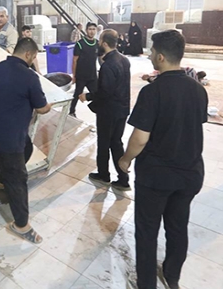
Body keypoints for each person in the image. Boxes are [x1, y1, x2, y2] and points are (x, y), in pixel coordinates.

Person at [118, 30, 208, 289]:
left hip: (156, 176)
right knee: (178, 227)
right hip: (190, 173)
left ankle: (146, 283)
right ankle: (172, 275)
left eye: (151, 52)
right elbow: (192, 125)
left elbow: (140, 139)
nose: (148, 56)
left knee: (147, 231)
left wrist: (125, 160)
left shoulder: (152, 92)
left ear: (160, 57)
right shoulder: (198, 90)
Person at [0, 38, 52, 244]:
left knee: (27, 148)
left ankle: (0, 181)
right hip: (10, 138)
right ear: (29, 55)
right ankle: (21, 225)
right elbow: (41, 108)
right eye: (34, 57)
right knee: (18, 179)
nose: (33, 61)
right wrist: (49, 106)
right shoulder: (30, 77)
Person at [79, 29, 131, 190]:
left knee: (104, 143)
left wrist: (87, 96)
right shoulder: (124, 60)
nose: (98, 43)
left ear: (105, 44)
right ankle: (123, 179)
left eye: (100, 40)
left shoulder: (108, 66)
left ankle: (104, 174)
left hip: (108, 112)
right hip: (122, 110)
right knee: (116, 143)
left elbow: (105, 92)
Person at [69, 22, 100, 118]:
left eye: (94, 29)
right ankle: (71, 111)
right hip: (81, 75)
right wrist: (74, 76)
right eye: (90, 29)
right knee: (77, 94)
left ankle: (99, 112)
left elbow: (100, 58)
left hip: (92, 76)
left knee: (97, 95)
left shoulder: (97, 43)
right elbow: (74, 61)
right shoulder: (80, 44)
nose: (92, 31)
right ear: (86, 30)